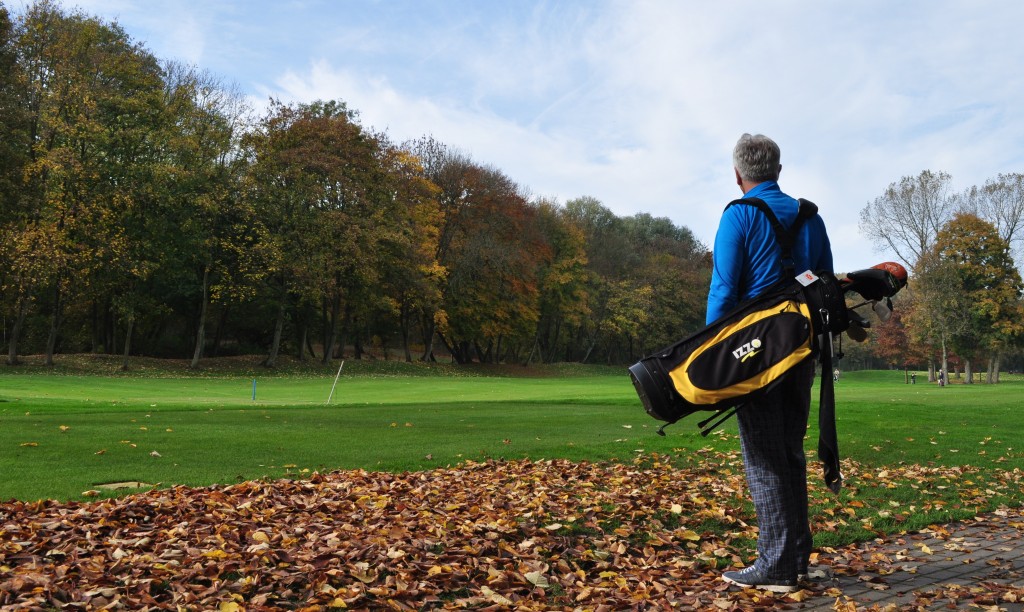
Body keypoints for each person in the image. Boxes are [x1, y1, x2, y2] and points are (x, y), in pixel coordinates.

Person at [709, 134, 834, 593]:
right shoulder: (811, 217)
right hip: (799, 351)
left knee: (763, 458)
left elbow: (724, 291)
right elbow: (824, 286)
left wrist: (714, 357)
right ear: (778, 170)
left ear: (738, 174)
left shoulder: (738, 215)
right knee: (788, 451)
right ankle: (796, 557)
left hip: (755, 357)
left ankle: (776, 567)